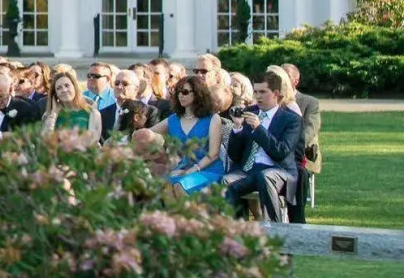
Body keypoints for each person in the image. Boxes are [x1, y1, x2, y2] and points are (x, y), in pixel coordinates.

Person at [224, 68, 303, 223]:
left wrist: (259, 129)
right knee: (226, 180)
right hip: (250, 170)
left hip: (280, 171)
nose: (258, 96)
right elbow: (234, 156)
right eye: (256, 92)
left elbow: (280, 152)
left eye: (263, 92)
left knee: (265, 176)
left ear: (276, 94)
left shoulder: (291, 120)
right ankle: (239, 232)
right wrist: (238, 128)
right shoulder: (248, 113)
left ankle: (274, 229)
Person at [137, 72, 225, 194]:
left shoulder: (213, 119)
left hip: (207, 170)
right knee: (165, 186)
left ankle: (188, 213)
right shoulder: (173, 119)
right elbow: (147, 133)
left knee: (179, 185)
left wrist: (193, 170)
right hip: (182, 169)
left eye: (185, 92)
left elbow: (213, 154)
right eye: (178, 91)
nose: (180, 95)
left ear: (198, 94)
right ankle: (175, 213)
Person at [282, 63, 321, 223]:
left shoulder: (309, 102)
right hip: (276, 155)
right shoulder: (268, 100)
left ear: (295, 81)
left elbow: (310, 130)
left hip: (301, 155)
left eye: (285, 78)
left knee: (298, 174)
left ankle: (296, 221)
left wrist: (287, 145)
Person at [41, 66, 102, 139]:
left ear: (75, 87)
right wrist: (53, 113)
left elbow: (93, 141)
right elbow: (46, 140)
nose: (64, 90)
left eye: (67, 85)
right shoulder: (49, 115)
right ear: (55, 94)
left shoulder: (92, 112)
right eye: (58, 88)